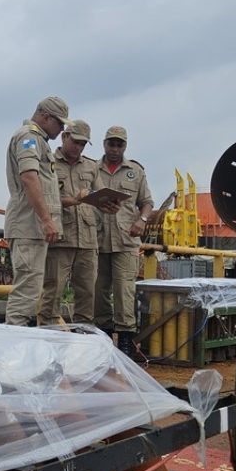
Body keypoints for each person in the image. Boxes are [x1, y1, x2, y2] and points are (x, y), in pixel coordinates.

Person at [4, 96, 70, 326]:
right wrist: (46, 220)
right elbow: (30, 177)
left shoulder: (38, 140)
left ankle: (14, 347)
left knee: (30, 290)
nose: (61, 129)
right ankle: (11, 351)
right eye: (59, 123)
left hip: (32, 227)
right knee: (26, 293)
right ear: (45, 116)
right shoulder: (29, 137)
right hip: (28, 226)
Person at [38, 119, 106, 326]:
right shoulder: (48, 163)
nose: (78, 147)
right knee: (53, 292)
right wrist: (75, 200)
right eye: (75, 142)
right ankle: (48, 340)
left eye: (83, 144)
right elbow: (42, 197)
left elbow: (100, 194)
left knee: (87, 294)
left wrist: (109, 203)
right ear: (64, 136)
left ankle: (83, 338)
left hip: (87, 240)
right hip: (60, 239)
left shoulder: (91, 167)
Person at [93, 126, 154, 355]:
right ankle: (104, 337)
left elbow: (147, 202)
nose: (115, 149)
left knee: (124, 291)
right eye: (111, 144)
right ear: (104, 144)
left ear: (125, 146)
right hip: (97, 240)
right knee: (98, 290)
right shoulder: (91, 170)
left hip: (126, 240)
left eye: (119, 144)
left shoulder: (135, 172)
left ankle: (126, 340)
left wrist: (143, 220)